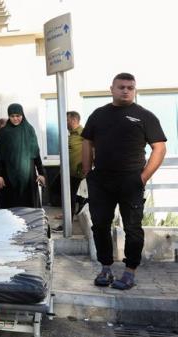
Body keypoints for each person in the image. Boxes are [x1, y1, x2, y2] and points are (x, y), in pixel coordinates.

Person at [83, 73, 166, 290]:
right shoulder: (98, 115)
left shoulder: (145, 116)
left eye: (130, 87)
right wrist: (87, 171)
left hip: (131, 180)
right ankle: (106, 268)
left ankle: (130, 272)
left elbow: (159, 147)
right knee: (100, 225)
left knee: (132, 228)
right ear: (112, 89)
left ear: (135, 90)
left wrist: (143, 177)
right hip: (101, 180)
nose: (126, 90)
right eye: (121, 87)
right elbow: (87, 142)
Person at [0, 103, 46, 208]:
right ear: (9, 116)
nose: (15, 119)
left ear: (22, 115)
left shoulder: (29, 130)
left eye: (18, 116)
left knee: (28, 211)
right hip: (7, 177)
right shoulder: (4, 132)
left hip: (28, 177)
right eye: (12, 116)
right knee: (8, 210)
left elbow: (35, 153)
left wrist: (41, 173)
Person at [54, 111, 86, 224]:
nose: (65, 123)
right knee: (55, 187)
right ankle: (80, 202)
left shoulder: (83, 133)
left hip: (76, 171)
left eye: (66, 120)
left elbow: (93, 148)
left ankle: (68, 221)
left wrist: (87, 165)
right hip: (66, 171)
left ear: (73, 120)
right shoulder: (71, 134)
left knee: (70, 196)